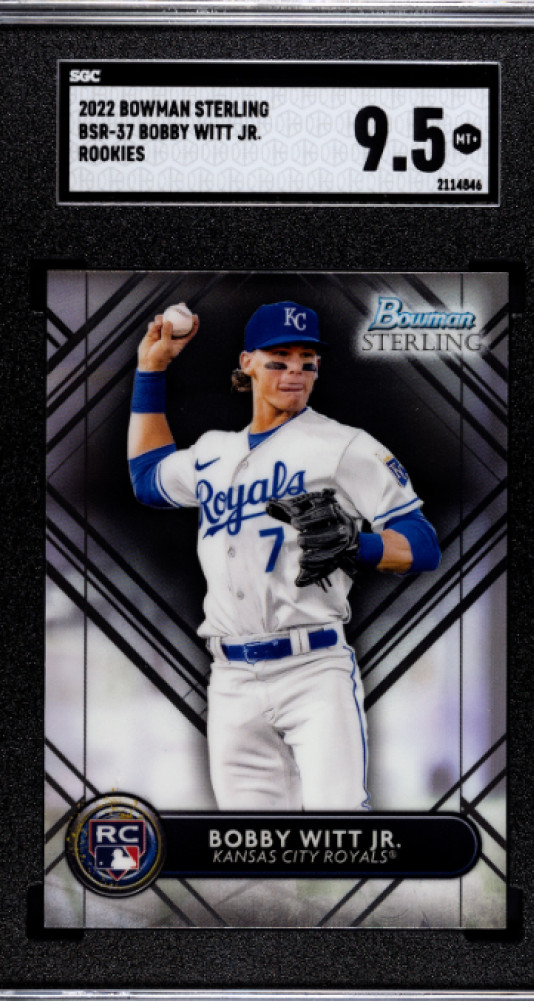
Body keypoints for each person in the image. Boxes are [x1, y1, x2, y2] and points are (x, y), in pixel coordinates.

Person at [128, 300, 440, 811]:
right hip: (230, 680)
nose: (295, 371)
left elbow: (422, 544)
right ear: (247, 363)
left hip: (312, 670)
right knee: (253, 850)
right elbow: (148, 478)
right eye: (279, 359)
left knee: (338, 836)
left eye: (306, 361)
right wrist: (152, 367)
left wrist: (360, 545)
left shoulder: (344, 445)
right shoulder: (212, 451)